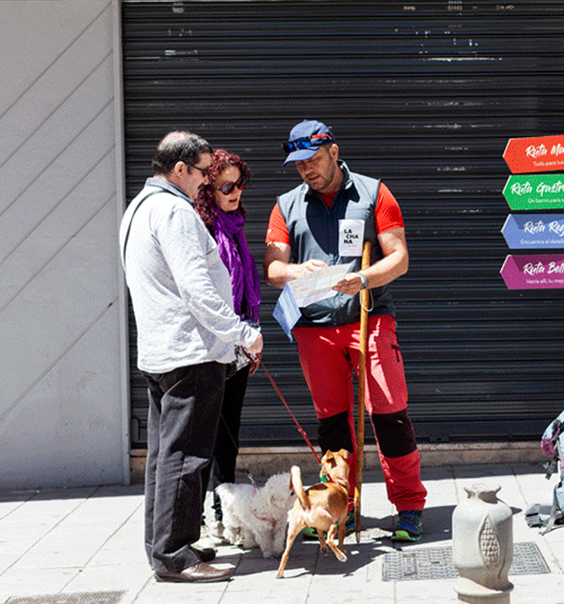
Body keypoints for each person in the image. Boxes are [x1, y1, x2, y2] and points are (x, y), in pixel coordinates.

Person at [264, 120, 427, 541]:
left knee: (391, 416)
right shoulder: (287, 205)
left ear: (334, 152)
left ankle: (408, 506)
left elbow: (401, 257)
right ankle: (341, 507)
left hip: (369, 319)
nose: (307, 170)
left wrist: (365, 279)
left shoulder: (374, 193)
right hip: (314, 329)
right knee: (333, 427)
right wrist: (295, 269)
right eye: (298, 165)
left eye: (314, 160)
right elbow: (273, 267)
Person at [119, 132, 263, 583]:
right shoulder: (175, 212)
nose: (207, 181)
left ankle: (164, 546)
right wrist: (243, 334)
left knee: (165, 458)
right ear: (179, 169)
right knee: (187, 459)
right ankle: (175, 557)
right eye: (203, 172)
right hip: (192, 354)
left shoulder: (138, 208)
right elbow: (197, 289)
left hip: (162, 353)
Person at [193, 149, 262, 540]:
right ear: (208, 189)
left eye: (239, 184)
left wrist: (249, 337)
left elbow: (243, 293)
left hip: (237, 348)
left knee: (228, 439)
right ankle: (198, 517)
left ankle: (223, 512)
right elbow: (210, 297)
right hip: (211, 350)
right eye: (226, 186)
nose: (235, 192)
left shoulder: (234, 227)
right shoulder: (203, 231)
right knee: (204, 436)